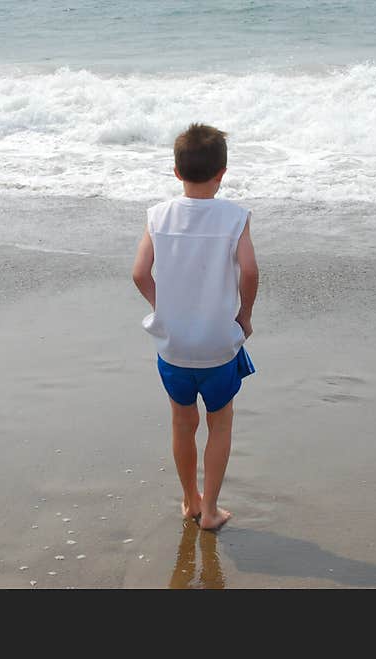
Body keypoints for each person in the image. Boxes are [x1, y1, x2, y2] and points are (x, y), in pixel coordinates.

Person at [132, 123, 259, 531]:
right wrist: (245, 316)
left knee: (182, 422)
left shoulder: (159, 215)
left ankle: (189, 500)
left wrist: (164, 307)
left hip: (175, 347)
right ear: (223, 172)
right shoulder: (234, 217)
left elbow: (139, 273)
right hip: (219, 347)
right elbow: (251, 271)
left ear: (176, 172)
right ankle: (211, 511)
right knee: (219, 423)